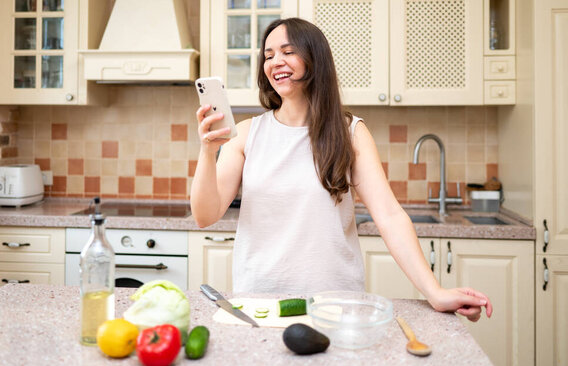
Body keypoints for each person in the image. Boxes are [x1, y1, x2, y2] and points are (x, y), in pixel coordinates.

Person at [191, 17, 492, 322]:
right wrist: (207, 151)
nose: (275, 62)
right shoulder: (246, 134)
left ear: (314, 59)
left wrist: (435, 293)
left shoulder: (349, 133)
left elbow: (389, 216)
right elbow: (205, 216)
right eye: (268, 56)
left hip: (334, 304)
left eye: (287, 51)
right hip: (259, 303)